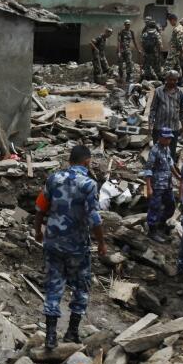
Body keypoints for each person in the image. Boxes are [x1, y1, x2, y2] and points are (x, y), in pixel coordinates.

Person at [34, 145, 107, 349]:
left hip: (53, 242)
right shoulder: (89, 185)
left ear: (70, 160)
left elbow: (40, 207)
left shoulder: (53, 179)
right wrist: (101, 242)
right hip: (77, 246)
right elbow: (94, 218)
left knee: (53, 286)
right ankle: (72, 332)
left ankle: (50, 336)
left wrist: (38, 231)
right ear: (86, 162)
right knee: (81, 286)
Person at [143, 128, 181, 243]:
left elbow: (170, 164)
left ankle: (161, 224)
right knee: (155, 207)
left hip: (167, 184)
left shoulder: (167, 149)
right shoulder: (155, 150)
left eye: (169, 138)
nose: (168, 140)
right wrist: (148, 187)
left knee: (171, 206)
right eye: (166, 138)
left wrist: (178, 177)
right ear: (160, 138)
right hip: (157, 185)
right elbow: (148, 169)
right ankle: (152, 231)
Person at [149, 70, 183, 161]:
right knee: (158, 151)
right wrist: (150, 125)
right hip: (159, 127)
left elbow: (182, 110)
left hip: (173, 128)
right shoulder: (159, 91)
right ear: (166, 79)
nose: (172, 82)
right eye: (170, 80)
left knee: (171, 152)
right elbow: (153, 109)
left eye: (175, 80)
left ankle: (170, 171)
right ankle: (157, 170)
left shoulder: (180, 92)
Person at [117, 20, 141, 84]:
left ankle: (128, 77)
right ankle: (121, 77)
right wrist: (119, 51)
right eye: (126, 24)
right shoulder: (121, 32)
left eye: (129, 24)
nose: (128, 25)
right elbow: (119, 42)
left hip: (128, 50)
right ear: (124, 25)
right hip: (121, 50)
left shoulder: (131, 32)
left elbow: (134, 41)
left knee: (129, 63)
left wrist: (138, 49)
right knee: (120, 65)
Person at [165, 14, 183, 80]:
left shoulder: (178, 29)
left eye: (170, 22)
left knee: (168, 66)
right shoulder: (179, 27)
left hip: (174, 52)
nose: (170, 23)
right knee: (177, 67)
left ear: (173, 20)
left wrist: (182, 52)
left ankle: (166, 81)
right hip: (175, 51)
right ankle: (180, 81)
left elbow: (180, 42)